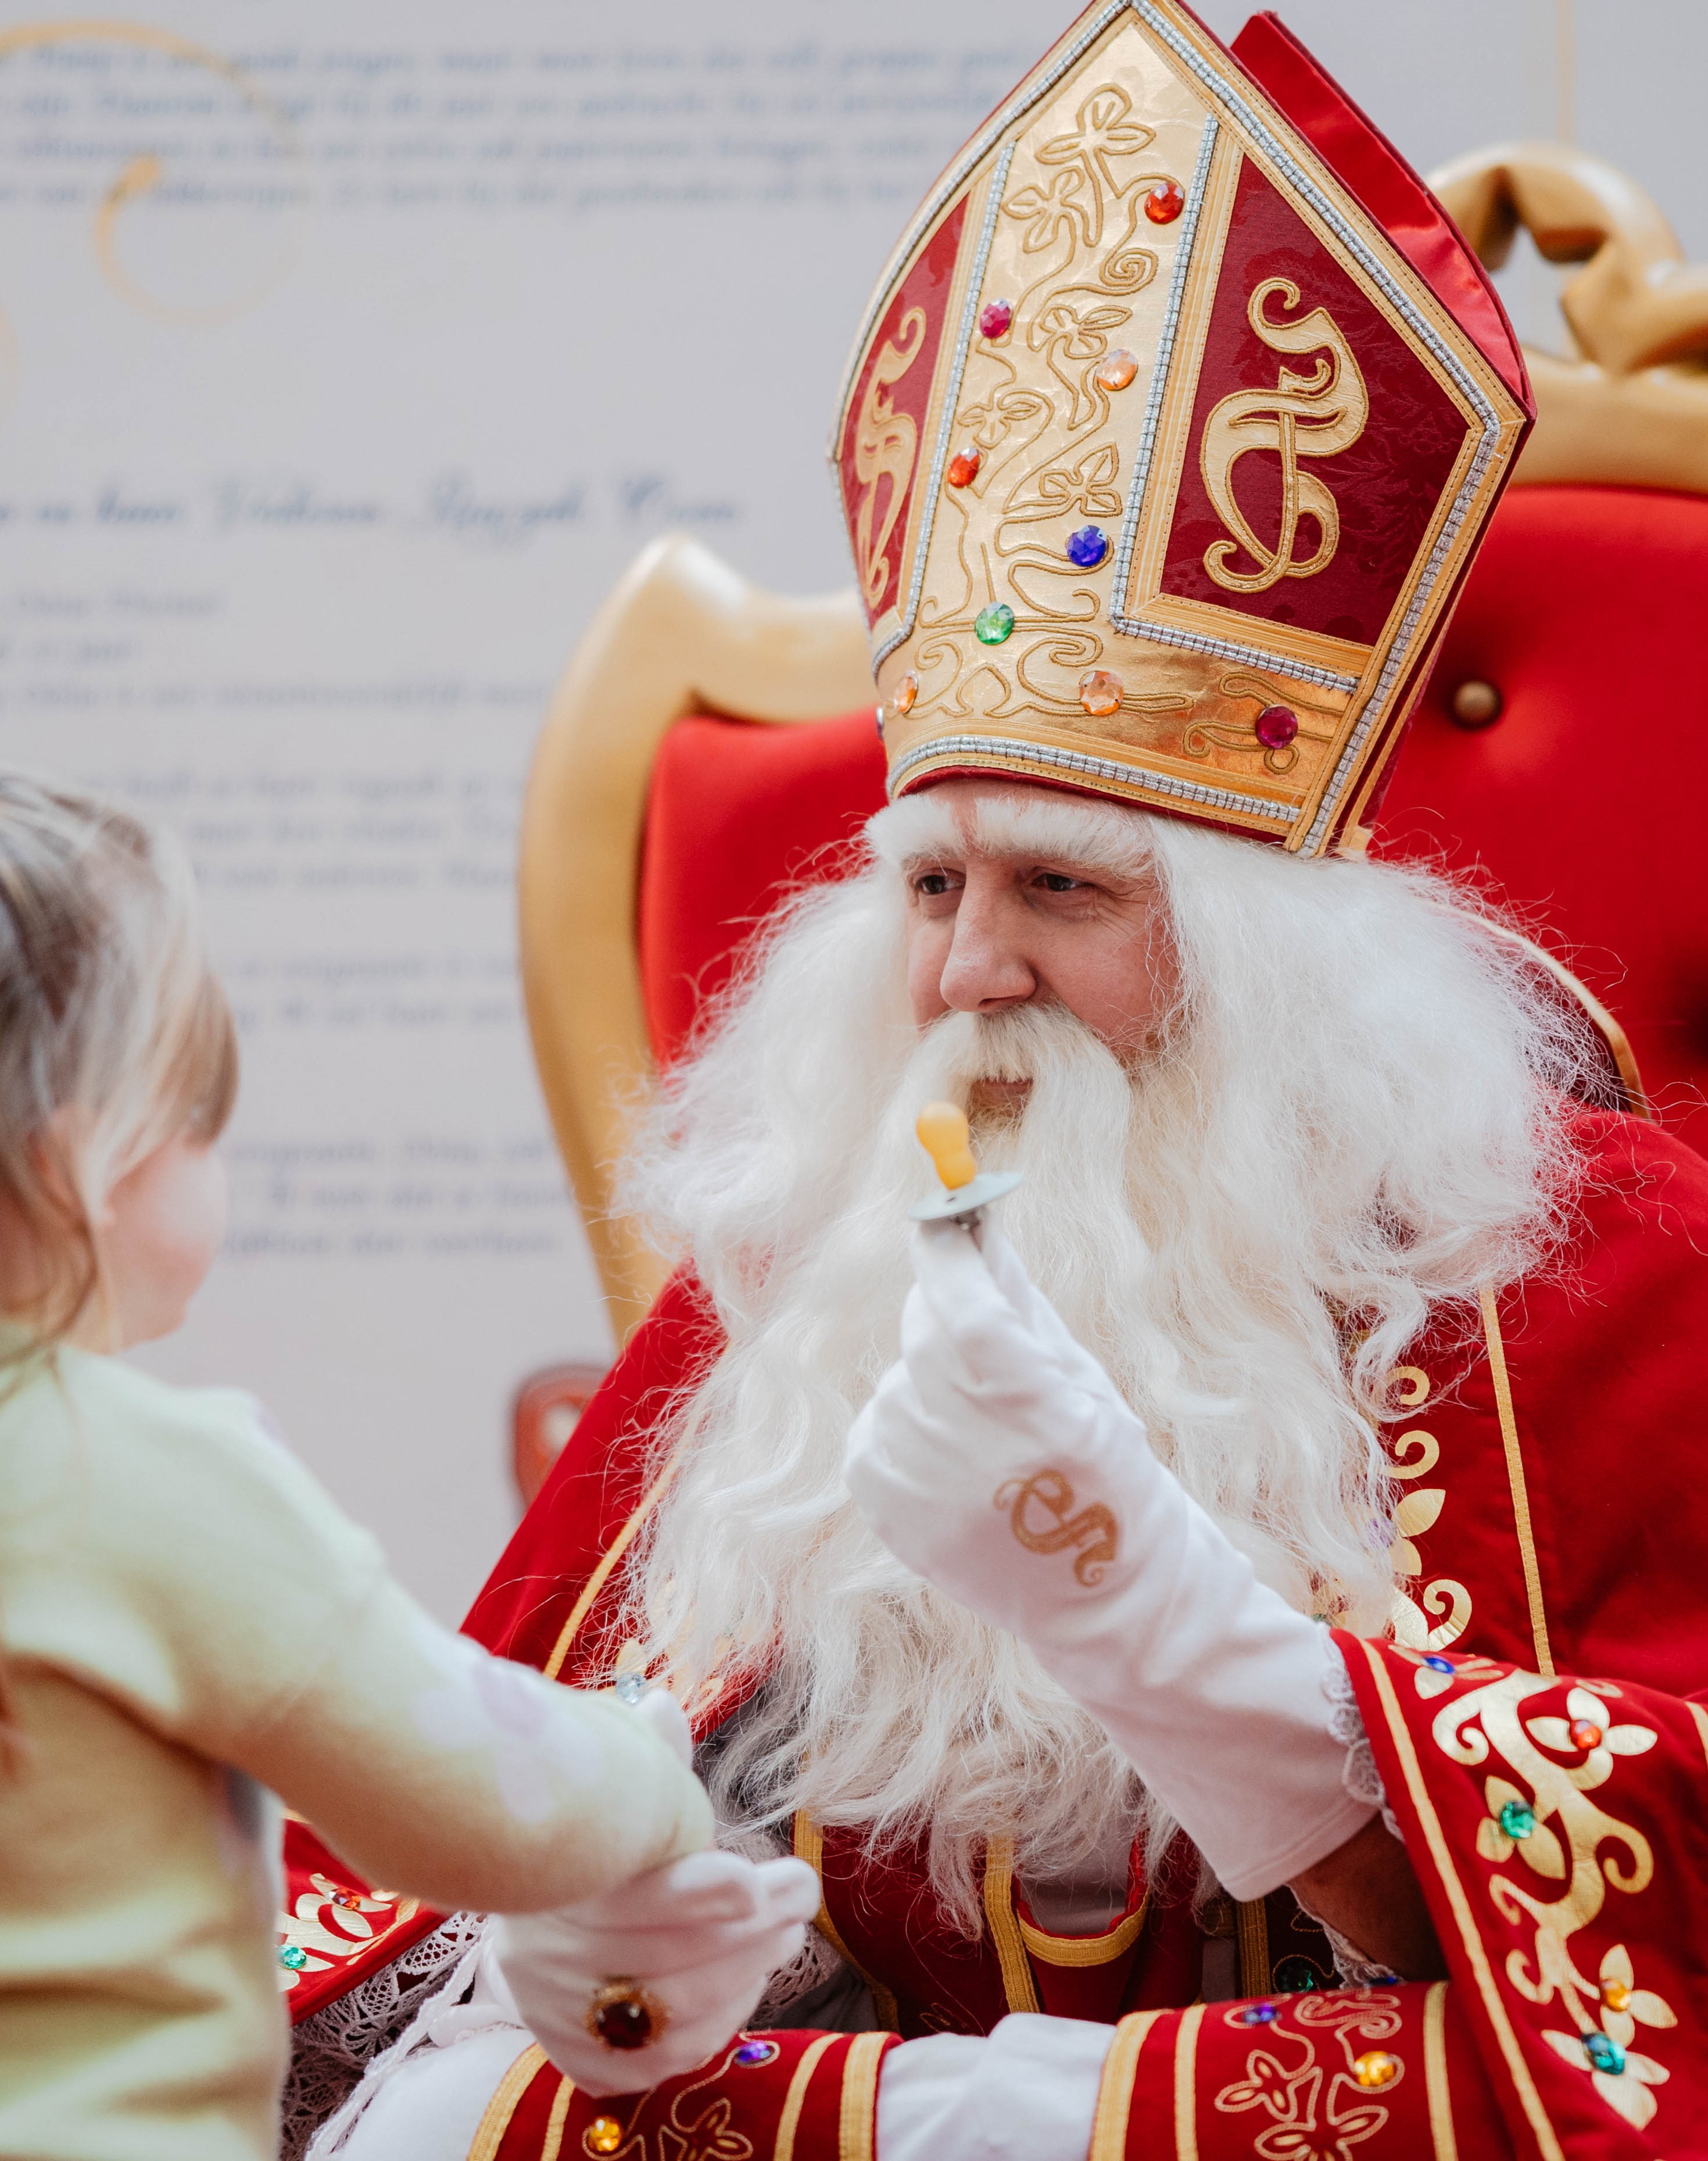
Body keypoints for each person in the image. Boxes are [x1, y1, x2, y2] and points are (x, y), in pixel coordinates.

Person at [284, 8, 1708, 2157]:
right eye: (926, 879)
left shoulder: (1596, 1267)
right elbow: (444, 1882)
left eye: (1057, 884)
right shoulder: (819, 1241)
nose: (964, 970)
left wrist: (1160, 1622)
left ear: (1276, 964)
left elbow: (1643, 1949)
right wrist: (601, 1927)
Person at [0, 769, 723, 2161]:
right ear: (78, 1156)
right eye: (200, 1119)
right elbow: (476, 1811)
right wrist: (648, 1760)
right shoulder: (161, 1484)